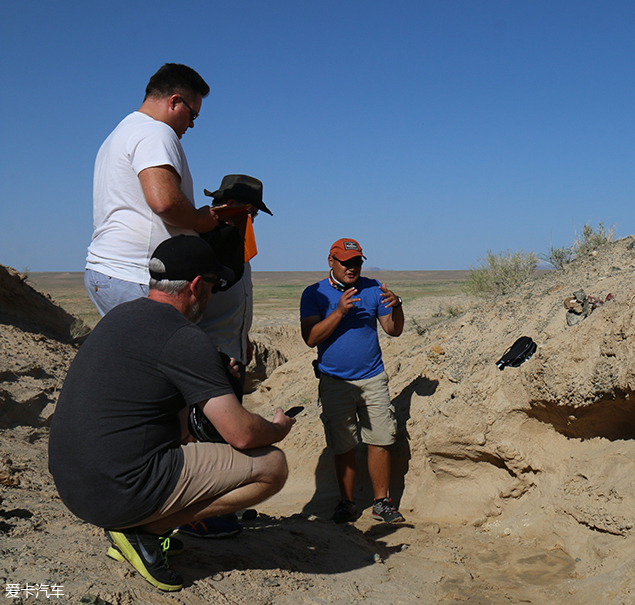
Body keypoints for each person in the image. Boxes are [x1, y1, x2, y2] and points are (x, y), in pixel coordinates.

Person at [50, 235, 295, 592]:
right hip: (115, 493)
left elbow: (160, 405)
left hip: (75, 487)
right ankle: (146, 531)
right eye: (212, 284)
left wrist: (212, 378)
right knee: (272, 466)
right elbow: (241, 434)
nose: (212, 295)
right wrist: (276, 428)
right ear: (197, 285)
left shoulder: (121, 316)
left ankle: (138, 522)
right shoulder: (183, 336)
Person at [85, 63, 219, 316]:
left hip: (114, 272)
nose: (191, 125)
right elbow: (164, 202)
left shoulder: (122, 132)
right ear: (174, 102)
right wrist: (199, 221)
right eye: (193, 115)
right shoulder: (155, 132)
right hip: (136, 274)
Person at [182, 174, 274, 539]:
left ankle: (222, 505)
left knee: (219, 440)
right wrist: (212, 355)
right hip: (211, 361)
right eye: (249, 211)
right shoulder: (207, 246)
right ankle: (199, 516)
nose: (250, 218)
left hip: (232, 353)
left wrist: (243, 337)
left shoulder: (236, 244)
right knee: (205, 440)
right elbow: (186, 310)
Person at [299, 238, 406, 524]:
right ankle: (346, 503)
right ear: (331, 261)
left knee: (380, 440)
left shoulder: (373, 288)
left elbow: (393, 330)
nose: (352, 267)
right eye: (346, 262)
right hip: (335, 382)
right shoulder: (314, 293)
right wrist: (339, 312)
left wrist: (397, 306)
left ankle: (381, 502)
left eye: (357, 261)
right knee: (343, 443)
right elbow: (310, 338)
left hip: (372, 378)